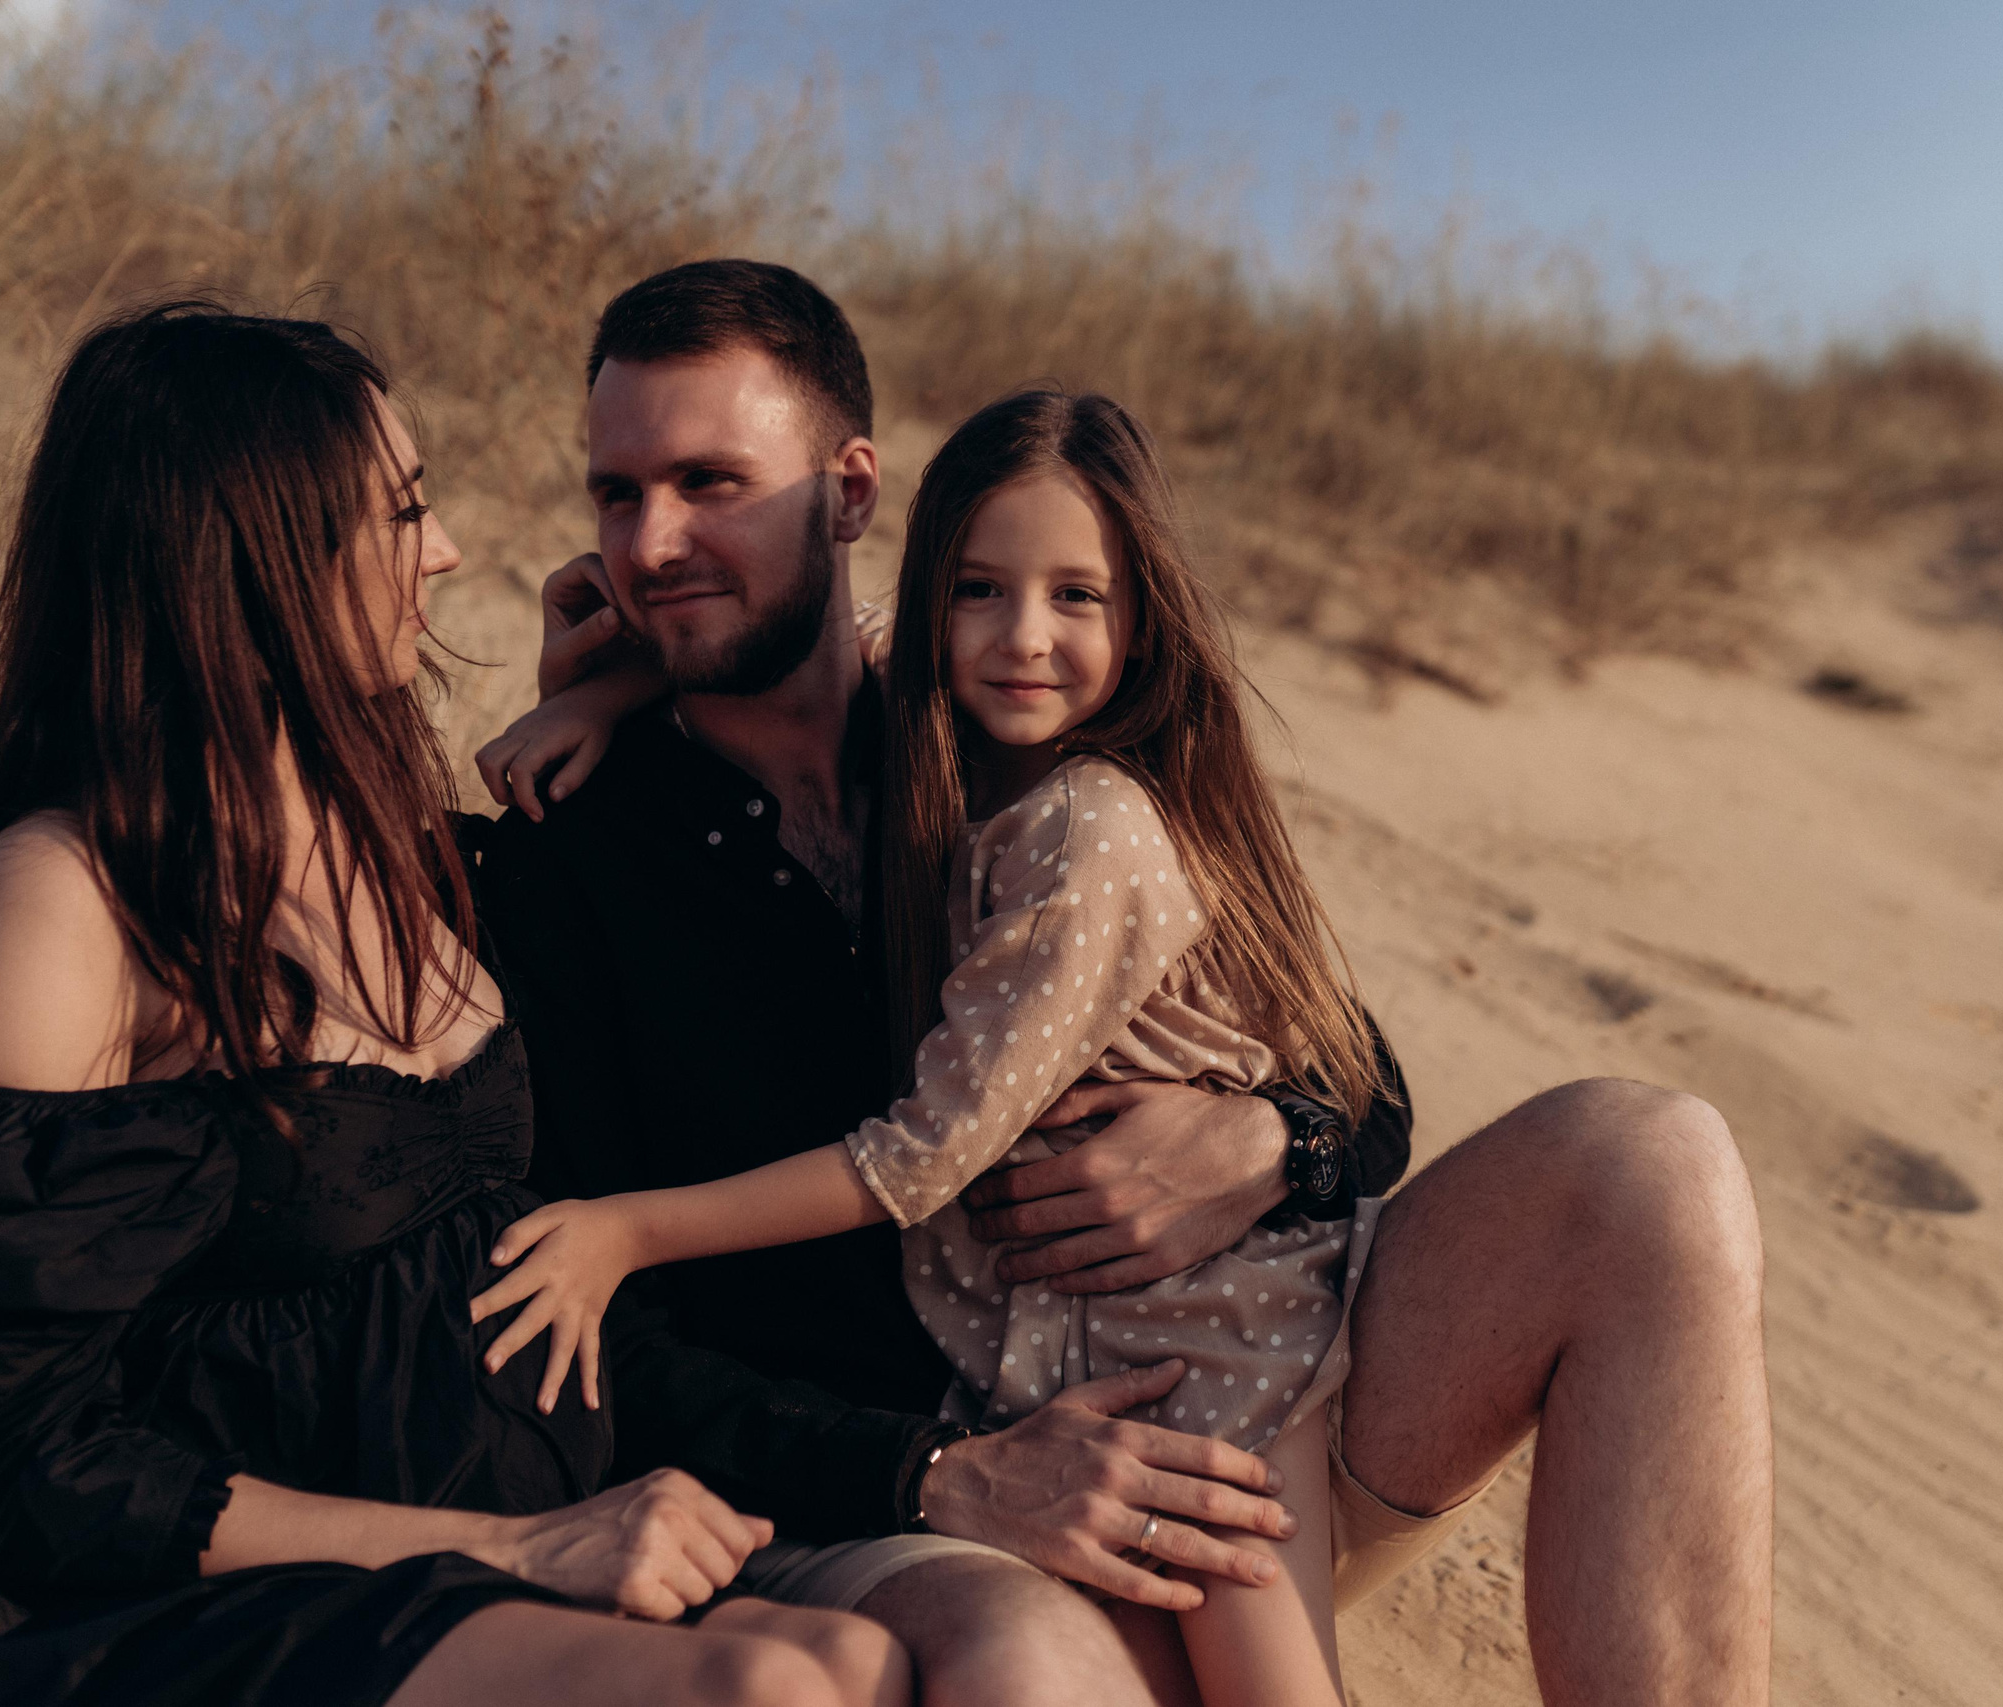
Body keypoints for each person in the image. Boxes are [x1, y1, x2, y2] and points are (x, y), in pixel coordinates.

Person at [479, 259, 1776, 1706]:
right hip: (955, 1515)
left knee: (1649, 1159)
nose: (655, 541)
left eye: (712, 482)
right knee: (1033, 1675)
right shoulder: (563, 860)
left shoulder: (995, 724)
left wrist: (1269, 1145)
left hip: (1236, 1389)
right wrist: (944, 1476)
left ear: (848, 495)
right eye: (615, 492)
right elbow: (595, 1333)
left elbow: (1352, 1070)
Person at [0, 300, 908, 1707]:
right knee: (760, 1692)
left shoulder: (408, 847)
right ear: (252, 553)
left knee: (849, 1659)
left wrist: (626, 686)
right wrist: (515, 1546)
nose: (443, 552)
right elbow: (2, 1453)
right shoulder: (75, 893)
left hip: (462, 1557)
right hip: (172, 1597)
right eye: (401, 513)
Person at [473, 386, 1392, 1706]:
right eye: (979, 591)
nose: (1023, 637)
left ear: (1146, 619)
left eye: (1081, 597)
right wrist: (612, 685)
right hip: (1073, 1347)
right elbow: (823, 635)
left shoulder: (1087, 835)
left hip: (1211, 1331)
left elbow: (920, 1158)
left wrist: (631, 1230)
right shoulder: (946, 743)